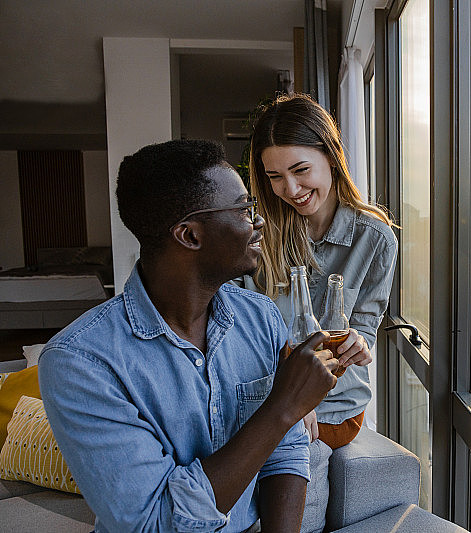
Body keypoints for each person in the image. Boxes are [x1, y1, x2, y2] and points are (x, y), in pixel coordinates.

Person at [38, 139, 339, 533]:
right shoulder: (79, 362)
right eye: (245, 209)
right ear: (190, 235)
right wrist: (283, 407)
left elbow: (286, 451)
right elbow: (154, 523)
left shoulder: (261, 317)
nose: (260, 220)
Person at [245, 94, 397, 450]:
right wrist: (288, 401)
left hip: (335, 406)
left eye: (300, 170)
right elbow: (245, 334)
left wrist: (356, 344)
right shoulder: (259, 235)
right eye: (275, 177)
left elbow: (363, 329)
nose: (291, 190)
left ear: (330, 155)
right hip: (269, 398)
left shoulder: (375, 239)